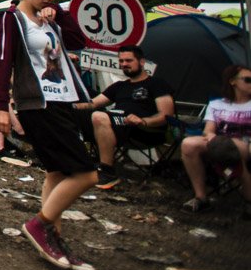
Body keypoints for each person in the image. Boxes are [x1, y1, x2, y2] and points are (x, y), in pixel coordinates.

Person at [0, 0, 98, 270]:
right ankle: (39, 225)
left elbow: (80, 40)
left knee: (57, 172)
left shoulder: (51, 19)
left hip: (63, 98)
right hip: (38, 102)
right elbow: (3, 61)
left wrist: (60, 14)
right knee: (86, 174)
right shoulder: (12, 18)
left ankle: (54, 237)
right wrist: (1, 105)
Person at [75, 45, 175, 189]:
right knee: (78, 115)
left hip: (144, 130)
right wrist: (69, 107)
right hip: (117, 125)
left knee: (99, 116)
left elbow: (166, 115)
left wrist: (144, 121)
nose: (124, 64)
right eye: (121, 61)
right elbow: (93, 104)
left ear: (141, 62)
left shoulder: (156, 83)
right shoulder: (120, 86)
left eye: (128, 61)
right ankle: (71, 162)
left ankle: (107, 172)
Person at [180, 64, 251, 215]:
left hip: (246, 145)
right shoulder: (217, 104)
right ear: (233, 81)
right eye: (248, 79)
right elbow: (208, 131)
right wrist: (213, 138)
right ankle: (201, 197)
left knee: (230, 148)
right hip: (219, 143)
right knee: (189, 144)